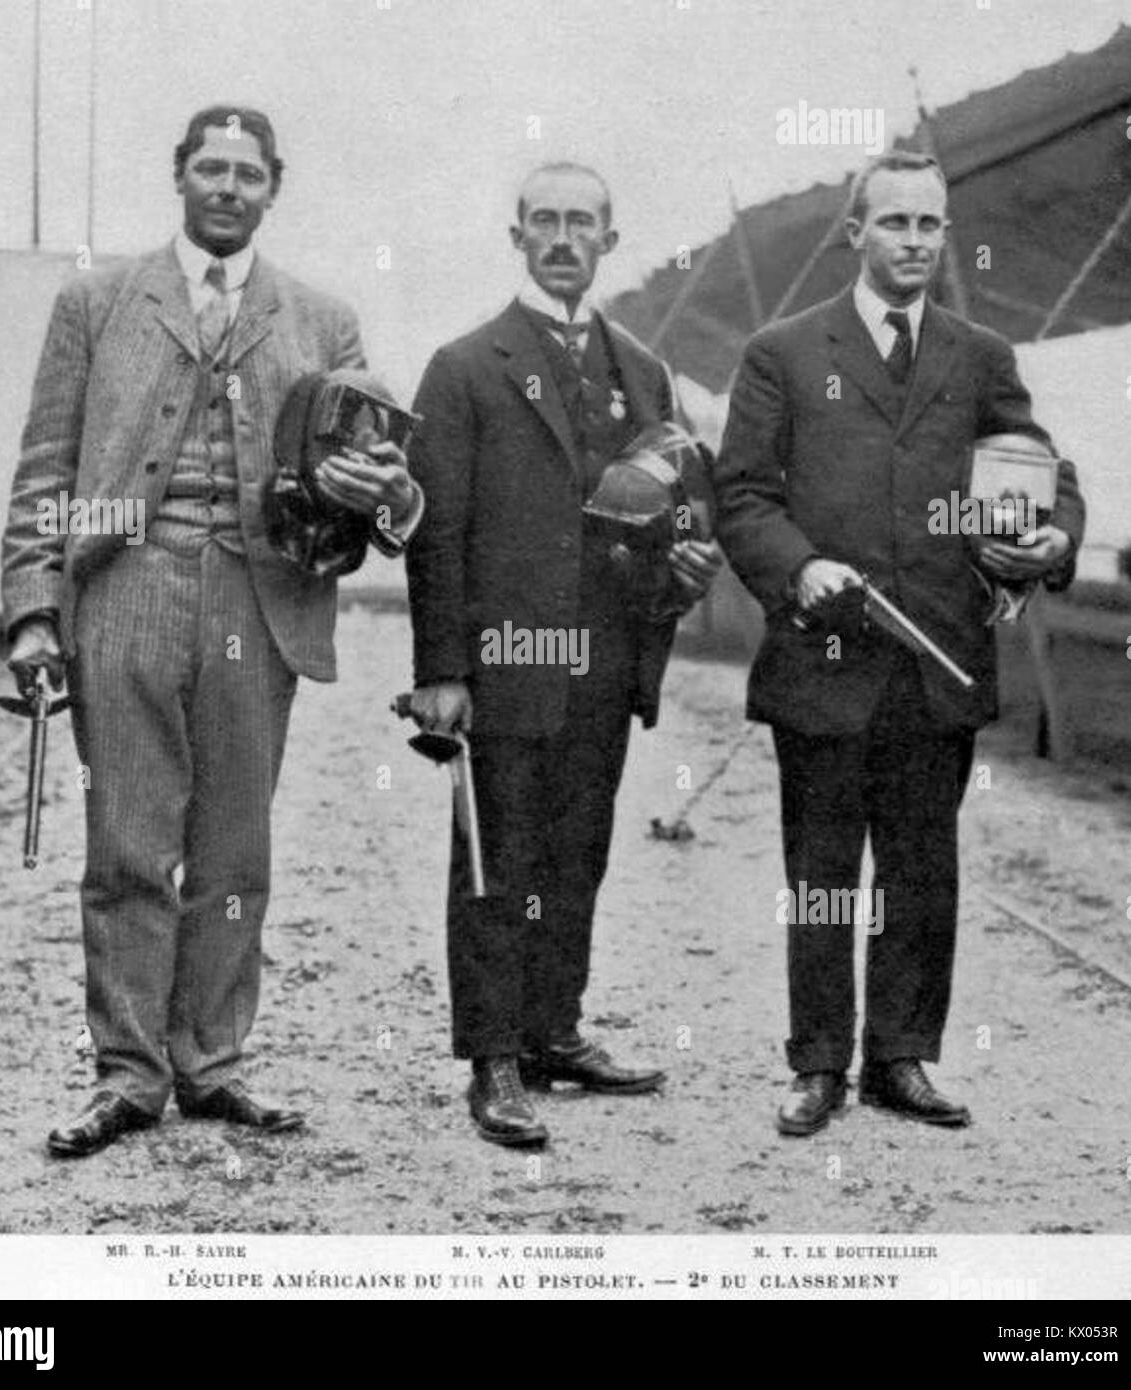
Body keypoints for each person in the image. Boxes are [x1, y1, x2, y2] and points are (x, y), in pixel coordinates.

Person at [1, 106, 420, 1157]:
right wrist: (33, 611)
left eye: (247, 172)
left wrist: (374, 488)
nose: (227, 186)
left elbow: (373, 486)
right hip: (125, 587)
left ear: (274, 185)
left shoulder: (322, 321)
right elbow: (47, 466)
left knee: (235, 849)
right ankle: (127, 1074)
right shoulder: (96, 301)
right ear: (178, 175)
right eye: (209, 168)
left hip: (256, 594)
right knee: (127, 845)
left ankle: (213, 1062)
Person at [712, 151, 1085, 1137]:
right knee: (821, 877)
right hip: (822, 662)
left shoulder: (978, 355)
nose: (913, 242)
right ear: (854, 232)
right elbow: (740, 494)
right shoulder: (781, 352)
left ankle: (900, 1057)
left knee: (922, 871)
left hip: (937, 663)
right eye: (894, 224)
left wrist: (1053, 537)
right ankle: (818, 1065)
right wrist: (797, 569)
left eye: (929, 225)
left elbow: (1043, 470)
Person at [405, 161, 721, 1148]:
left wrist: (683, 570)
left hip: (601, 660)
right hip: (501, 662)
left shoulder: (642, 370)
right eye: (542, 219)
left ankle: (553, 1031)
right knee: (497, 859)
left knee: (577, 851)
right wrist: (443, 672)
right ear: (515, 236)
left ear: (607, 240)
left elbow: (667, 519)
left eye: (579, 221)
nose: (560, 236)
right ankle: (493, 1059)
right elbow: (434, 530)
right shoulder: (463, 367)